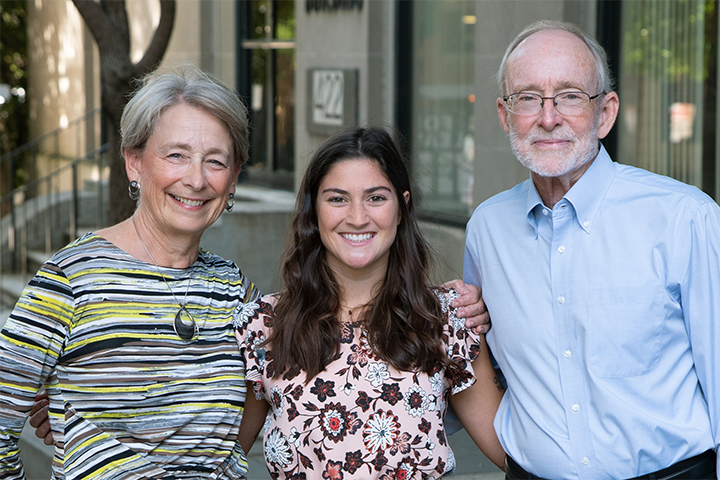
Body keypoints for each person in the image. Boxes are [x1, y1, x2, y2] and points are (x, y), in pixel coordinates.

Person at [7, 69, 488, 478]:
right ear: (134, 162)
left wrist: (457, 307)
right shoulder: (73, 276)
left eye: (215, 161)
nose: (196, 178)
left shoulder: (234, 293)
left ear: (233, 178)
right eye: (176, 155)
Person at [463, 20, 719, 479]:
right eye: (527, 98)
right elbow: (487, 360)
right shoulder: (487, 229)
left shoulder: (685, 218)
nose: (548, 117)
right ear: (504, 115)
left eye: (570, 95)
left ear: (605, 112)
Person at [234, 127, 506, 479]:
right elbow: (220, 457)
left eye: (376, 198)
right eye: (337, 199)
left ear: (402, 206)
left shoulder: (446, 320)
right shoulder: (263, 326)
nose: (358, 217)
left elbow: (512, 453)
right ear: (313, 209)